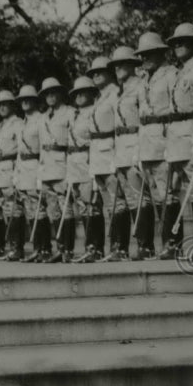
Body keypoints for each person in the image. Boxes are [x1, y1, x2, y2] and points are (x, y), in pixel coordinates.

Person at [162, 23, 193, 259]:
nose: (178, 46)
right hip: (175, 139)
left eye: (183, 41)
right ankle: (174, 244)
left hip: (192, 134)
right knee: (173, 191)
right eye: (175, 43)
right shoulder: (179, 72)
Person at [134, 32, 179, 259]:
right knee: (156, 196)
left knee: (168, 193)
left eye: (150, 54)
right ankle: (163, 244)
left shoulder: (171, 75)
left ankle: (173, 243)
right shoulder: (144, 80)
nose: (146, 59)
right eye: (143, 55)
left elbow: (176, 108)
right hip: (146, 141)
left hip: (163, 138)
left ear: (162, 53)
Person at [77, 56, 120, 264]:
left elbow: (120, 126)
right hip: (97, 155)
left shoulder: (115, 94)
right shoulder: (100, 98)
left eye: (100, 71)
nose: (96, 75)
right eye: (93, 72)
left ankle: (118, 247)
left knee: (116, 202)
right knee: (100, 203)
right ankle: (98, 249)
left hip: (111, 151)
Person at [109, 46, 147, 260]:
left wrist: (139, 150)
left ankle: (145, 244)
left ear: (133, 65)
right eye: (116, 65)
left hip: (135, 143)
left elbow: (143, 119)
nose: (119, 68)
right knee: (130, 200)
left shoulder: (140, 86)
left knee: (139, 197)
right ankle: (123, 248)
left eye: (123, 64)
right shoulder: (118, 91)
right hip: (121, 147)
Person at [37, 78, 72, 263]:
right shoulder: (42, 117)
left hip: (63, 163)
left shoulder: (69, 113)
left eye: (53, 92)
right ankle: (59, 248)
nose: (50, 97)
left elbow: (74, 141)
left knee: (67, 208)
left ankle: (68, 249)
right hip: (47, 167)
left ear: (59, 93)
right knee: (53, 211)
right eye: (47, 94)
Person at [64, 77, 97, 263]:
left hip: (88, 160)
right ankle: (88, 247)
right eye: (77, 93)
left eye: (84, 92)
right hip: (74, 163)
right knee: (82, 206)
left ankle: (94, 247)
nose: (80, 95)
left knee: (91, 205)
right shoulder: (75, 115)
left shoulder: (94, 112)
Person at [0, 90, 23, 260]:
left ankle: (16, 247)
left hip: (11, 168)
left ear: (12, 105)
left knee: (13, 208)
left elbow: (21, 151)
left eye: (5, 104)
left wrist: (18, 173)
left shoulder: (18, 124)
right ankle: (0, 247)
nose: (2, 107)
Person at [14, 85, 42, 262]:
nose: (25, 102)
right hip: (23, 167)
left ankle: (42, 248)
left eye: (28, 99)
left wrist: (41, 172)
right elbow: (19, 150)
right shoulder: (22, 122)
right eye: (22, 99)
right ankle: (36, 249)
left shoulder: (40, 119)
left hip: (36, 165)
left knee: (39, 208)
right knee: (30, 209)